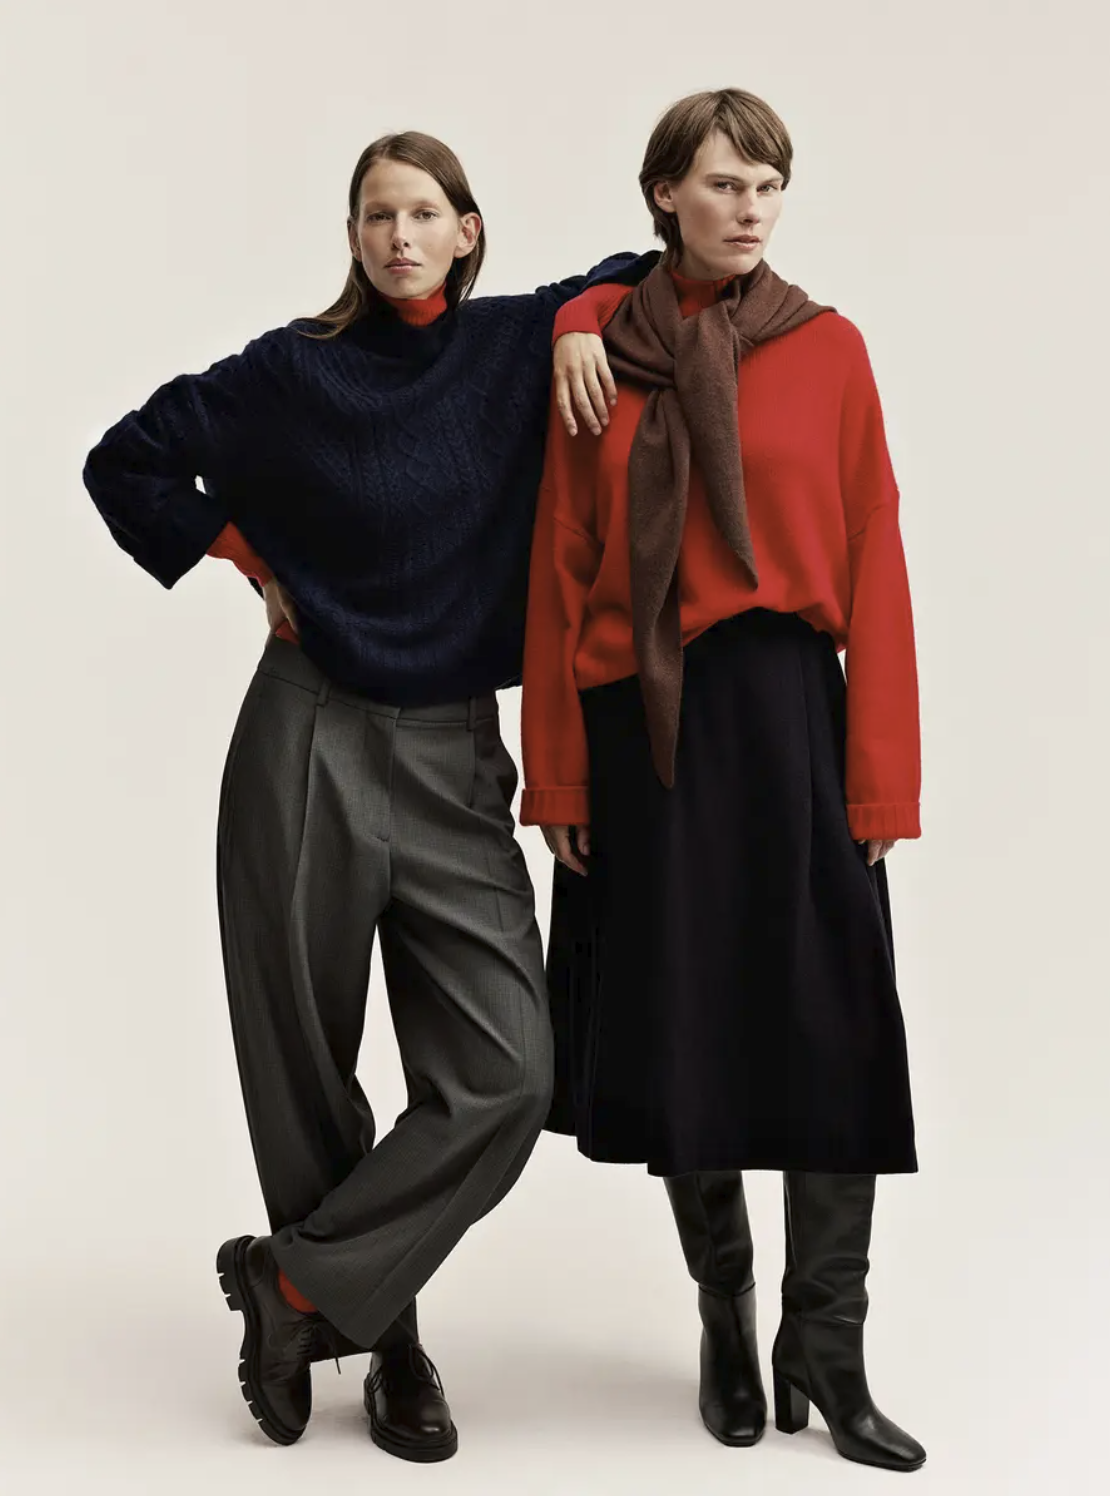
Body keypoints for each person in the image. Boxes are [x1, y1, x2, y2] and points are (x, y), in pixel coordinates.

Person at [83, 130, 647, 1462]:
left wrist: (577, 322)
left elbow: (644, 266)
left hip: (455, 750)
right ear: (352, 236)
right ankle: (387, 1344)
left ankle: (288, 1289)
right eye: (376, 216)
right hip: (309, 732)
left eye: (424, 214)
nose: (399, 237)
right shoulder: (294, 370)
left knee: (506, 1076)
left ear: (467, 230)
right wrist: (242, 554)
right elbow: (126, 460)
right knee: (305, 1068)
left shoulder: (515, 345)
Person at [521, 89, 926, 1473]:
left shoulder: (829, 348)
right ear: (663, 196)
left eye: (768, 185)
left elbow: (875, 553)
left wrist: (879, 781)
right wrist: (558, 782)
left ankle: (830, 1342)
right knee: (681, 1027)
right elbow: (562, 565)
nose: (750, 209)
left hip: (789, 712)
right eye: (722, 183)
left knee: (835, 1030)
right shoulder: (596, 358)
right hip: (645, 729)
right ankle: (726, 1316)